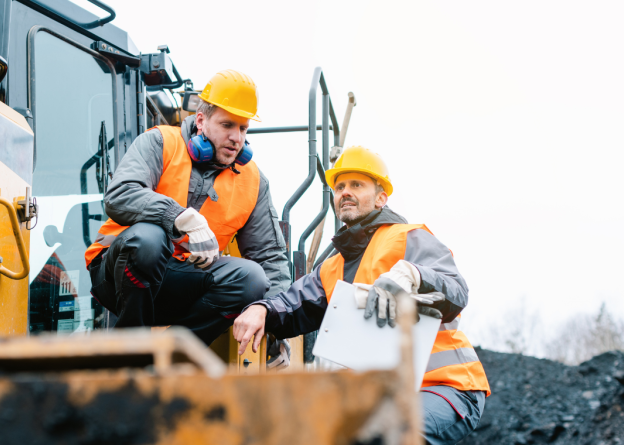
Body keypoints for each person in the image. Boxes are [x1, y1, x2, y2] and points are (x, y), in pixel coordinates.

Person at [232, 145, 490, 444]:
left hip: (445, 387)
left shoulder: (407, 237)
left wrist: (413, 275)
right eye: (340, 186)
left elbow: (456, 291)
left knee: (386, 434)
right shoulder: (331, 268)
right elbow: (291, 306)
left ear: (381, 197)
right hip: (388, 395)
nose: (346, 192)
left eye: (357, 184)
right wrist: (263, 309)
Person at [85, 69, 290, 345]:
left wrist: (274, 321)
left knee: (252, 279)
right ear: (202, 121)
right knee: (149, 239)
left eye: (243, 128)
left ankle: (173, 353)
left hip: (184, 283)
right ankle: (129, 352)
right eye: (227, 125)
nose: (237, 138)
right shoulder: (160, 142)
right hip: (119, 275)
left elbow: (271, 258)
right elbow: (120, 195)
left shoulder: (254, 181)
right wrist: (178, 216)